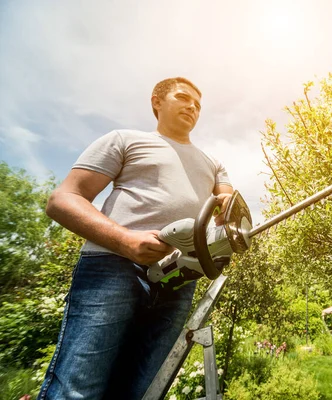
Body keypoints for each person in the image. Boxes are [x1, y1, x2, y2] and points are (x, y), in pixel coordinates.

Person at [38, 77, 233, 400]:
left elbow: (228, 204)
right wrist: (125, 241)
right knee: (78, 388)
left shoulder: (213, 164)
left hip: (179, 277)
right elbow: (62, 200)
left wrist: (228, 209)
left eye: (198, 105)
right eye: (183, 97)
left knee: (143, 391)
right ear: (157, 101)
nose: (192, 107)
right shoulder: (125, 140)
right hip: (112, 267)